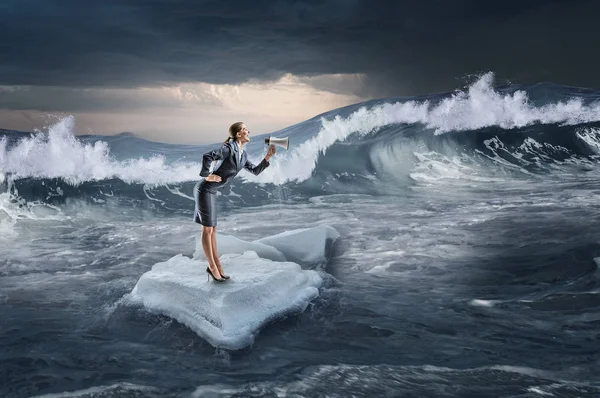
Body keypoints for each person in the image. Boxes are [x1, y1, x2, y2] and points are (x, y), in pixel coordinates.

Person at [194, 122, 276, 282]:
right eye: (245, 129)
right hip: (204, 189)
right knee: (207, 231)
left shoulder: (242, 155)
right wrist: (206, 175)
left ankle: (217, 264)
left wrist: (267, 157)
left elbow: (255, 171)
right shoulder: (228, 148)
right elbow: (207, 156)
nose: (249, 131)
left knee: (213, 230)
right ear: (238, 134)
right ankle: (211, 267)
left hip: (212, 191)